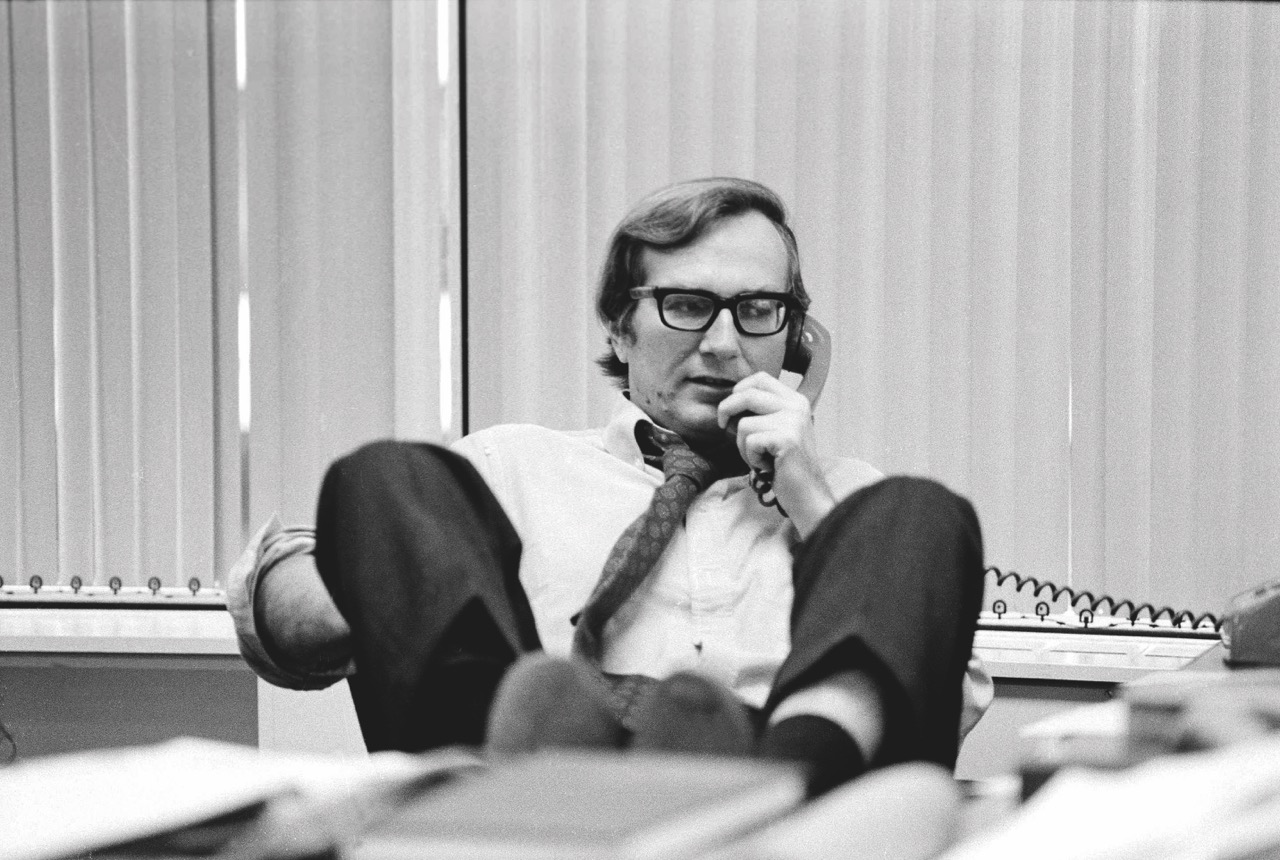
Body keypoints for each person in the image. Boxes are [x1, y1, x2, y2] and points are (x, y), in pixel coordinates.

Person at [228, 176, 990, 796]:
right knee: (387, 475)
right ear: (620, 329)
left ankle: (786, 776)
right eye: (687, 306)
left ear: (795, 340)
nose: (724, 344)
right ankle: (513, 769)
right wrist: (389, 578)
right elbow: (279, 626)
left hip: (797, 804)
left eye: (758, 310)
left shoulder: (853, 506)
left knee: (919, 509)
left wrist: (812, 505)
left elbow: (944, 705)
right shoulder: (507, 471)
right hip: (527, 788)